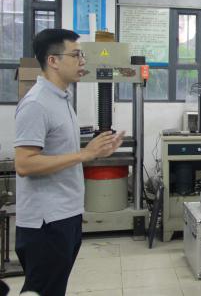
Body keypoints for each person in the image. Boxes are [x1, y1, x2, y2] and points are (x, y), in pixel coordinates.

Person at [14, 29, 124, 296]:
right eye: (75, 55)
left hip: (66, 215)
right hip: (45, 223)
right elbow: (24, 164)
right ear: (53, 60)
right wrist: (84, 154)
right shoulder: (36, 104)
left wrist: (97, 152)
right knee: (43, 290)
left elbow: (63, 154)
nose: (82, 60)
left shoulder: (61, 99)